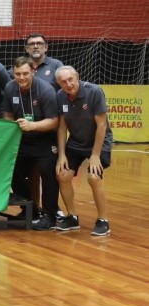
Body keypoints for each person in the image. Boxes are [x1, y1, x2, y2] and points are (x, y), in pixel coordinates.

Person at [1, 57, 60, 231]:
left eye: (25, 73)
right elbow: (8, 115)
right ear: (13, 73)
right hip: (22, 139)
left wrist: (32, 126)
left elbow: (54, 121)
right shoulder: (10, 88)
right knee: (12, 172)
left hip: (45, 138)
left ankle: (50, 215)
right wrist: (11, 126)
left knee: (48, 173)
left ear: (33, 71)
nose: (22, 77)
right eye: (18, 74)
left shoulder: (46, 90)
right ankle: (31, 209)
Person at [55, 66, 114, 236]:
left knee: (93, 177)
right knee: (62, 175)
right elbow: (62, 127)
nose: (68, 84)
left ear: (77, 77)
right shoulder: (60, 96)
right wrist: (61, 155)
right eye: (63, 82)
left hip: (99, 142)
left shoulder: (94, 92)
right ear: (59, 84)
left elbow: (102, 126)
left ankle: (103, 220)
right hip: (75, 142)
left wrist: (95, 155)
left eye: (70, 79)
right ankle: (72, 217)